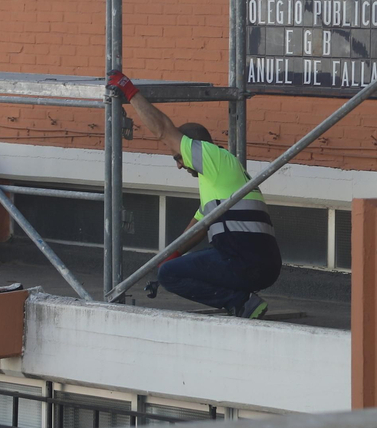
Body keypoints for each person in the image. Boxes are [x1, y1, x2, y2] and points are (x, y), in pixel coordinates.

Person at [108, 69, 280, 319]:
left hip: (244, 260)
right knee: (170, 270)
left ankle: (242, 302)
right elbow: (197, 228)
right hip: (263, 264)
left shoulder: (210, 155)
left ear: (192, 147)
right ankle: (243, 302)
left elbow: (163, 130)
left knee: (171, 275)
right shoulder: (219, 179)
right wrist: (170, 257)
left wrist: (129, 90)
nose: (178, 164)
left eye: (178, 157)